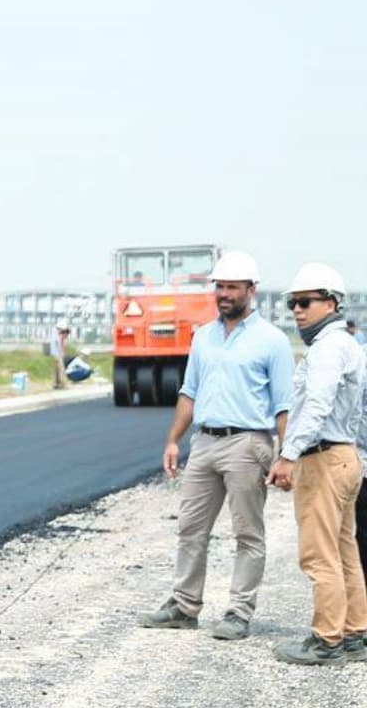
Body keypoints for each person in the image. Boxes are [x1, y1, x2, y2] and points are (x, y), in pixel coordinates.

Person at [139, 250, 295, 640]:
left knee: (247, 533)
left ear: (250, 290)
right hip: (205, 442)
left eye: (231, 287)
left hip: (247, 444)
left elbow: (284, 406)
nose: (224, 294)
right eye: (219, 287)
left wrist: (286, 455)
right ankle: (184, 605)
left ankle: (239, 612)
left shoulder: (272, 342)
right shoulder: (203, 337)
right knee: (191, 528)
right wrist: (173, 440)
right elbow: (189, 393)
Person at [267, 263, 367, 665]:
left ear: (330, 302)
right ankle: (356, 632)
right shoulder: (346, 345)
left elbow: (317, 405)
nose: (296, 310)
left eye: (305, 302)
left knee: (319, 554)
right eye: (292, 302)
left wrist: (289, 455)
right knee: (344, 551)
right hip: (344, 457)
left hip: (324, 459)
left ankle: (327, 640)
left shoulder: (327, 348)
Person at [49, 321, 72, 389]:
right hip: (57, 355)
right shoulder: (57, 335)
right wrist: (63, 353)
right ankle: (63, 384)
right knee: (61, 369)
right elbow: (60, 346)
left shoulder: (55, 334)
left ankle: (55, 384)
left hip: (55, 354)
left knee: (56, 370)